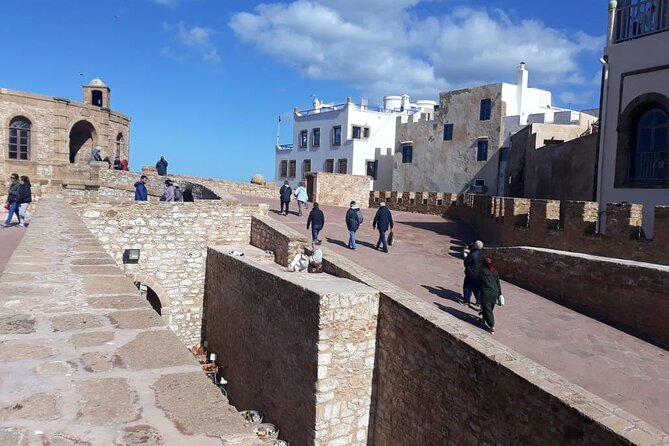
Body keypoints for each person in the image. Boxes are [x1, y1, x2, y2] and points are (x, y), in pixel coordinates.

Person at [479, 256, 502, 334]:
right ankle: (483, 319)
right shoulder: (495, 271)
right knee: (489, 307)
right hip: (495, 292)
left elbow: (479, 281)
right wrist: (500, 293)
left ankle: (492, 326)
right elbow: (498, 283)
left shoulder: (483, 271)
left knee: (487, 308)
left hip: (487, 292)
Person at [463, 240, 484, 306]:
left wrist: (465, 255)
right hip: (478, 274)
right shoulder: (482, 255)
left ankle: (466, 300)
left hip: (471, 273)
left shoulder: (472, 254)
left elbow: (466, 263)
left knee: (467, 287)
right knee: (476, 289)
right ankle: (479, 301)